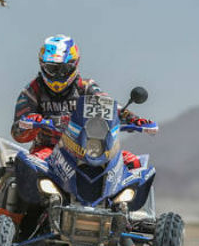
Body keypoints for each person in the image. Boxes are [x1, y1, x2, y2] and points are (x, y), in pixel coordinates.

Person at [11, 34, 155, 168]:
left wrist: (133, 118)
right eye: (51, 69)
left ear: (75, 65)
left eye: (64, 69)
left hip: (91, 150)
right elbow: (17, 133)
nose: (58, 74)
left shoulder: (86, 87)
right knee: (30, 165)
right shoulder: (32, 91)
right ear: (42, 66)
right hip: (49, 149)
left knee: (134, 164)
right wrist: (30, 123)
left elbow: (108, 105)